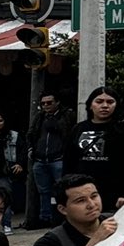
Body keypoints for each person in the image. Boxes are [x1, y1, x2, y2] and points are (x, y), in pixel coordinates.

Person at [20, 173, 119, 246]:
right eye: (81, 201)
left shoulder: (118, 220)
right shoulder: (49, 243)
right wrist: (95, 241)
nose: (91, 204)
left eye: (94, 196)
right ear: (63, 209)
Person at [71, 87, 124, 208]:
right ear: (90, 105)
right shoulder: (79, 128)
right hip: (82, 190)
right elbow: (69, 160)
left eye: (110, 102)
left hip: (113, 193)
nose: (104, 106)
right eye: (99, 101)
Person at [25, 92, 71, 229]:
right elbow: (31, 134)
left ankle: (61, 216)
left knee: (61, 189)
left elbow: (67, 133)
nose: (46, 106)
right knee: (43, 191)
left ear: (57, 102)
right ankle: (46, 217)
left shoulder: (66, 115)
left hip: (58, 158)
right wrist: (31, 149)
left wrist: (54, 122)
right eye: (43, 103)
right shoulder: (39, 117)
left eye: (49, 103)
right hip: (40, 159)